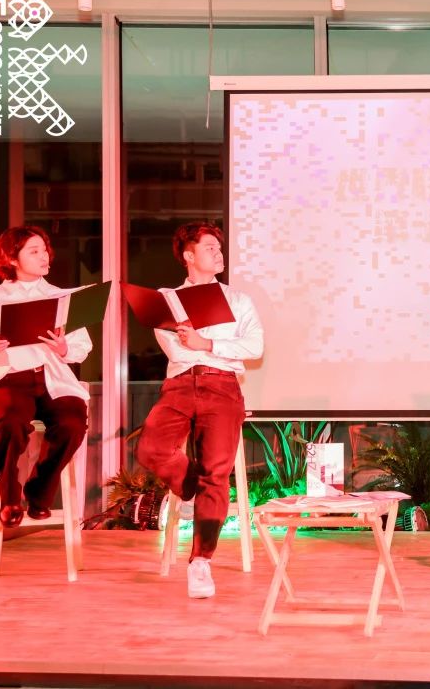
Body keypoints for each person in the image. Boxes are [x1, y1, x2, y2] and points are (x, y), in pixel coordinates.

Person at [136, 221, 263, 599]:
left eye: (219, 248)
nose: (218, 253)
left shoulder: (238, 300)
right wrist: (195, 344)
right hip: (179, 384)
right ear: (188, 255)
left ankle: (200, 562)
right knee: (150, 449)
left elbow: (254, 346)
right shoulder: (168, 299)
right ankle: (189, 489)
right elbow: (175, 349)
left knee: (216, 472)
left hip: (222, 386)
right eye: (209, 248)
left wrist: (206, 343)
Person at [0, 226, 91, 528]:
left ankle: (40, 492)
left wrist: (64, 347)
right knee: (9, 420)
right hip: (9, 377)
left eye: (45, 250)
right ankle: (9, 498)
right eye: (34, 251)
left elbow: (82, 347)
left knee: (72, 422)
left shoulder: (61, 297)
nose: (44, 256)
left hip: (51, 377)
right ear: (12, 258)